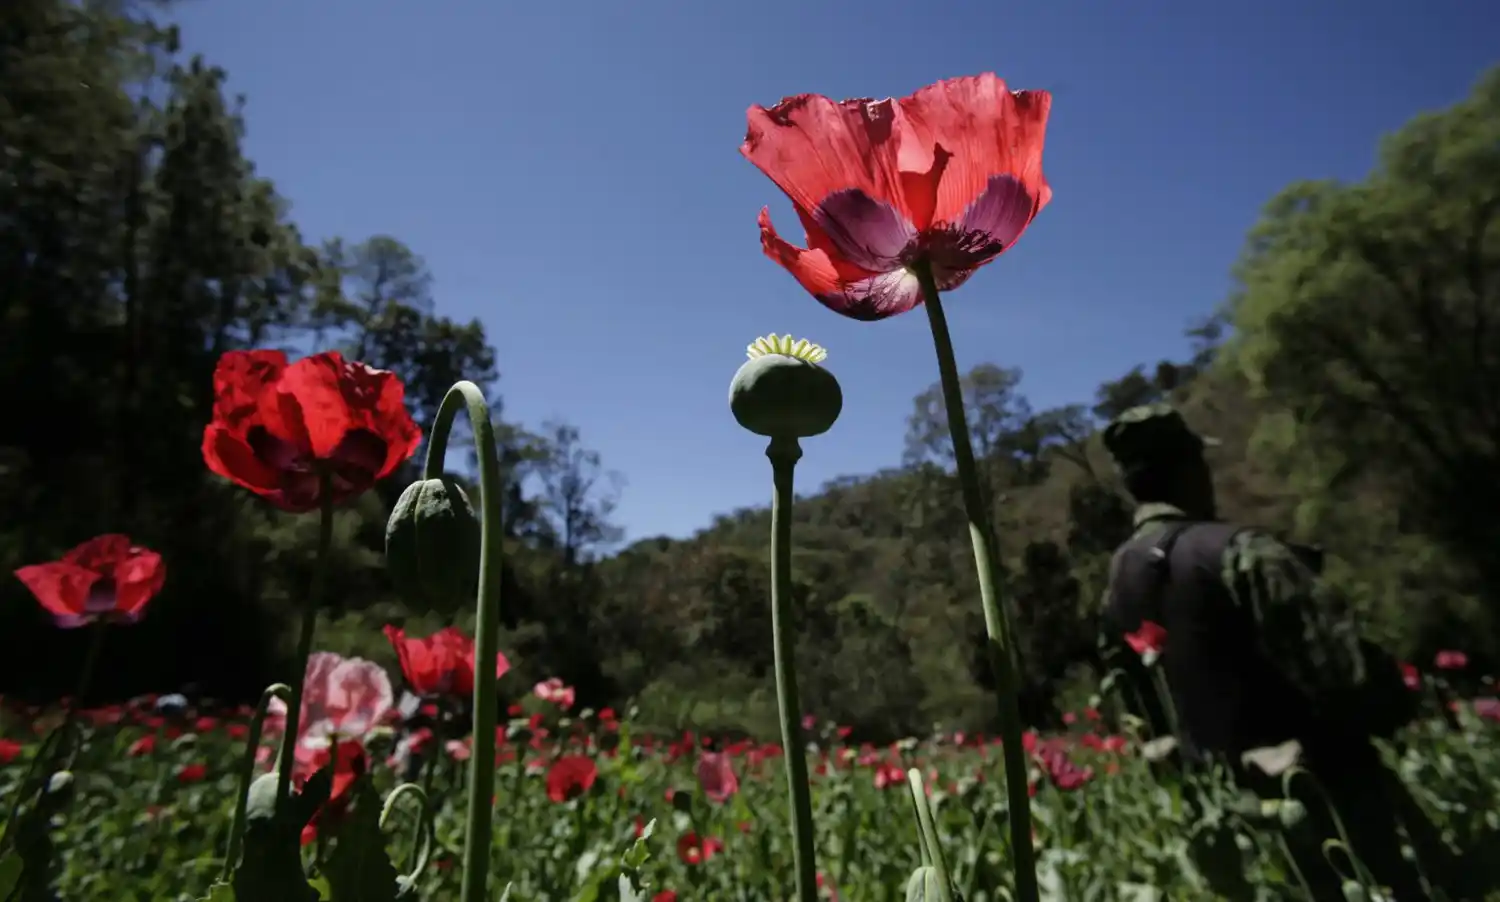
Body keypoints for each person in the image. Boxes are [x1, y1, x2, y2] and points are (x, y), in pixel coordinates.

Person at [1096, 403, 1455, 901]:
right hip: (1333, 818)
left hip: (1235, 839)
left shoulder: (1116, 584)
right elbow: (1348, 673)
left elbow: (1135, 711)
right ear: (1189, 469)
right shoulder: (1240, 551)